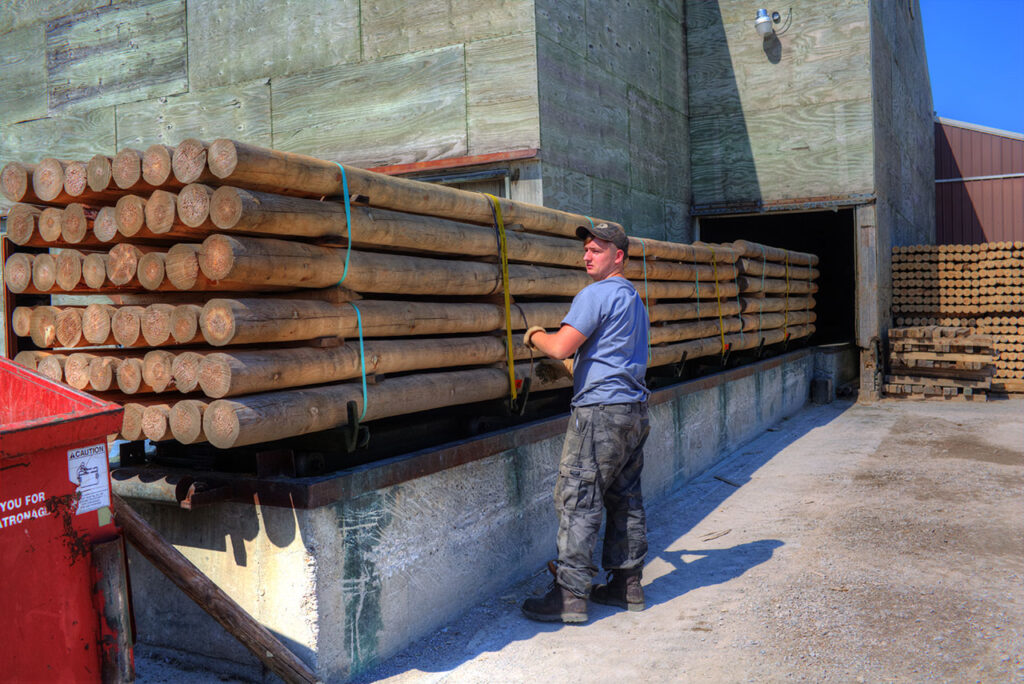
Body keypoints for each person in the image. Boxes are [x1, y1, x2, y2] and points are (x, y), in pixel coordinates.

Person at [520, 221, 651, 624]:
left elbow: (561, 345)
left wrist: (535, 336)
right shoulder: (633, 300)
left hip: (599, 413)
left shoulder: (596, 294)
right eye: (587, 249)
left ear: (619, 257)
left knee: (577, 498)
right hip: (632, 410)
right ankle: (625, 585)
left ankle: (571, 595)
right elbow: (596, 357)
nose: (587, 255)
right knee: (624, 498)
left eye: (597, 249)